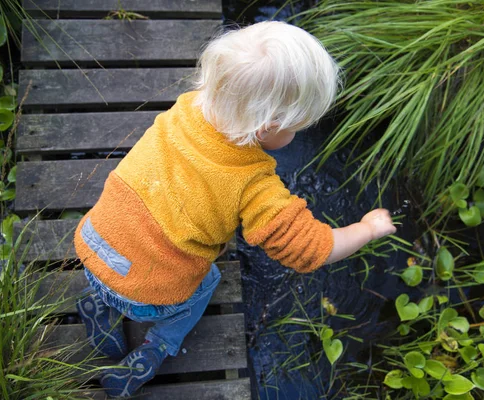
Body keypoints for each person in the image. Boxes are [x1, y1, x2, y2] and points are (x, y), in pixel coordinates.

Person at [74, 21, 396, 398]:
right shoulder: (253, 184)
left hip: (93, 244)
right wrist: (368, 228)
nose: (296, 136)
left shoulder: (189, 106)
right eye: (295, 128)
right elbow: (312, 250)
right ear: (265, 127)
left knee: (147, 244)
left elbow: (192, 188)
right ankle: (158, 346)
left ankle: (99, 304)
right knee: (208, 279)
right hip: (146, 296)